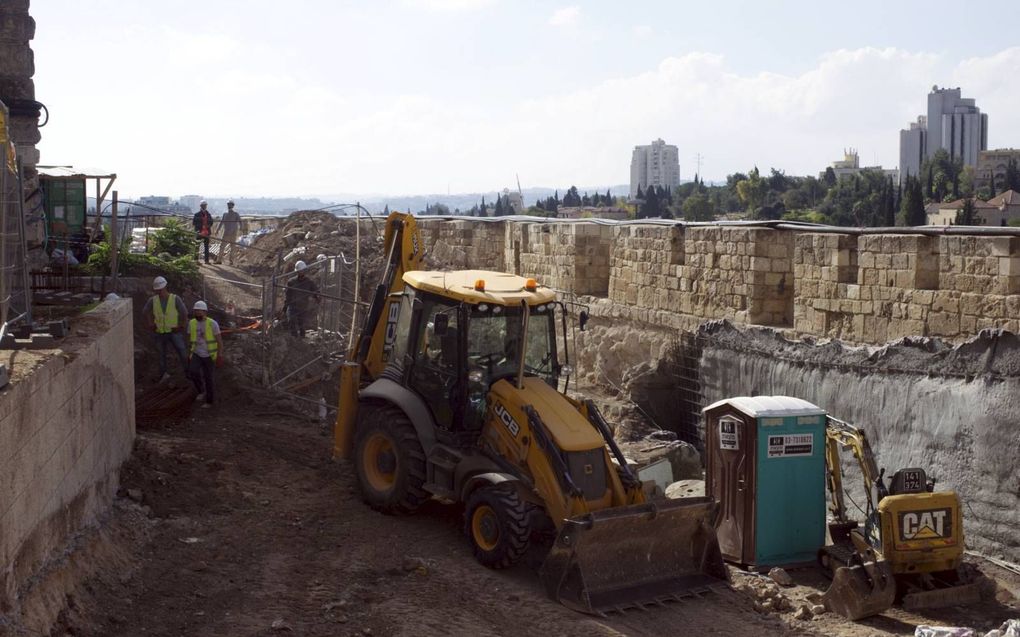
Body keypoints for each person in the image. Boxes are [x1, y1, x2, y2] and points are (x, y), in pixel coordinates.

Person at [142, 276, 188, 383]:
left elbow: (184, 313)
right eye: (157, 290)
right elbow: (145, 312)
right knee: (161, 355)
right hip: (160, 332)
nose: (159, 292)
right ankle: (164, 374)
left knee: (182, 353)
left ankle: (188, 374)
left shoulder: (175, 299)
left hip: (174, 332)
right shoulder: (153, 300)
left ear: (166, 287)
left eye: (160, 290)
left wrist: (181, 326)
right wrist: (150, 323)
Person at [187, 300, 223, 408]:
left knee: (209, 378)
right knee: (193, 372)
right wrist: (189, 353)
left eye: (199, 311)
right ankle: (201, 391)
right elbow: (189, 339)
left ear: (205, 312)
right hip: (197, 353)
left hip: (209, 355)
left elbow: (219, 341)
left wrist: (220, 355)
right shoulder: (192, 323)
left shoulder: (212, 324)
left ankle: (209, 401)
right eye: (196, 311)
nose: (197, 313)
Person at [283, 260, 319, 338]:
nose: (301, 272)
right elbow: (288, 295)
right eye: (300, 271)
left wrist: (317, 298)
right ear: (297, 271)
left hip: (303, 306)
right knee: (291, 320)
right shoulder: (291, 282)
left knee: (301, 324)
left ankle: (302, 339)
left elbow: (315, 291)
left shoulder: (309, 282)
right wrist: (285, 307)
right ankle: (294, 338)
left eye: (302, 271)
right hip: (292, 306)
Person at [217, 200, 242, 265]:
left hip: (233, 233)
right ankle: (219, 260)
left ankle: (231, 261)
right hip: (226, 232)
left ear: (233, 206)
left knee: (232, 247)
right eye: (228, 204)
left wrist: (241, 228)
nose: (229, 206)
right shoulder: (225, 214)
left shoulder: (236, 214)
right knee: (222, 246)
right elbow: (221, 222)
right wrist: (217, 230)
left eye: (230, 204)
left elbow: (240, 222)